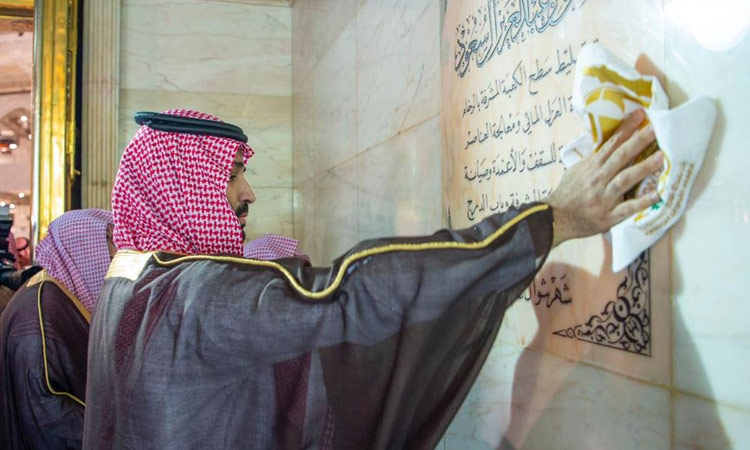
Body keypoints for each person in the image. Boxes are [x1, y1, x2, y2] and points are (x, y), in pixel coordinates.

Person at [83, 108, 662, 449]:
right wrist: (551, 221)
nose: (247, 194)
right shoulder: (195, 295)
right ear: (177, 186)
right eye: (231, 174)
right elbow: (348, 297)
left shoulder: (127, 282)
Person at [0, 209, 115, 450]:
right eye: (112, 245)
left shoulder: (58, 295)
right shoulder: (40, 311)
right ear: (84, 249)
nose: (116, 257)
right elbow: (48, 413)